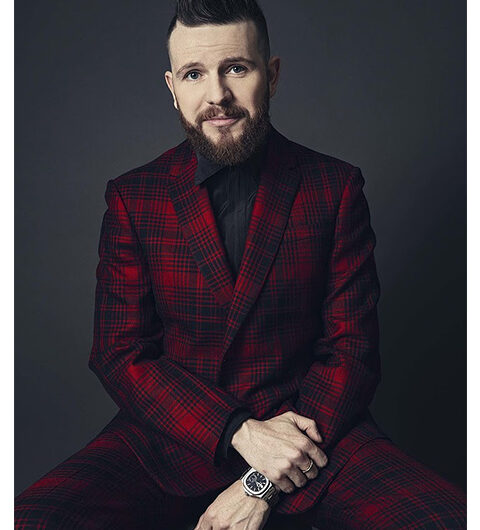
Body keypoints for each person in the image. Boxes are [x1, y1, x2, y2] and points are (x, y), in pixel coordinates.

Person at [15, 0, 466, 528]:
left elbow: (352, 352)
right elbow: (120, 352)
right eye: (194, 74)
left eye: (236, 68)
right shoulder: (134, 198)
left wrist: (262, 480)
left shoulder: (334, 188)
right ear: (172, 88)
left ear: (270, 76)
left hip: (313, 436)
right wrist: (238, 432)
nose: (217, 95)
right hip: (169, 439)